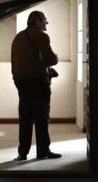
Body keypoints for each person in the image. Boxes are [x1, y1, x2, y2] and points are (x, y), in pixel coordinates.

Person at [10, 10, 62, 161]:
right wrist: (56, 58)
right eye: (45, 20)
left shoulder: (18, 37)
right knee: (41, 116)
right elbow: (51, 59)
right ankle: (43, 150)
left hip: (20, 81)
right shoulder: (41, 36)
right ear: (38, 21)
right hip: (38, 81)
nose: (46, 23)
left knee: (25, 117)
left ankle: (23, 153)